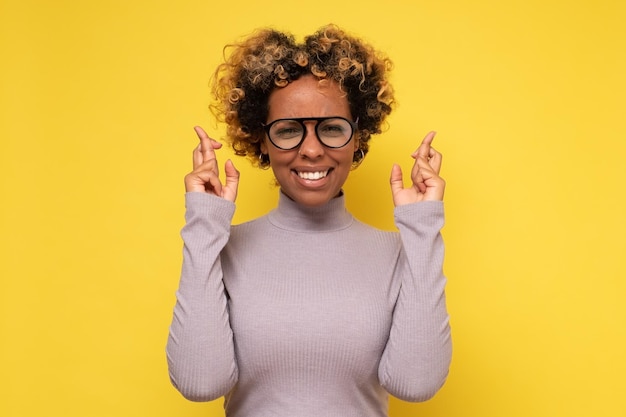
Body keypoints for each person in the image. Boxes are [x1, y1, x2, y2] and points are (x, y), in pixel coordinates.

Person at [166, 24, 452, 417]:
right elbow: (200, 383)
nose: (312, 150)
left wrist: (422, 228)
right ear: (262, 140)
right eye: (288, 131)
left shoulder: (399, 253)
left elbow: (415, 384)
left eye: (332, 128)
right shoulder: (221, 247)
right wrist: (203, 225)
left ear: (358, 136)